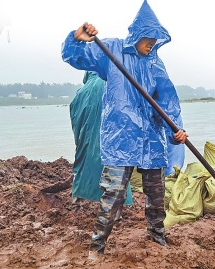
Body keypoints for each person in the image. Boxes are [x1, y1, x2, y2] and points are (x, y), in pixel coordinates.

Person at [61, 0, 188, 253]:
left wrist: (176, 133)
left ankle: (157, 235)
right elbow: (75, 56)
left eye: (155, 38)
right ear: (138, 34)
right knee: (113, 196)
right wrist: (77, 37)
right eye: (148, 37)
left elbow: (167, 102)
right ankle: (97, 245)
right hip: (121, 138)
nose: (151, 42)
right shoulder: (112, 50)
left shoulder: (156, 64)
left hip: (151, 139)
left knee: (156, 196)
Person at [69, 71, 133, 215]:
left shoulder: (81, 93)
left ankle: (76, 204)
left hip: (86, 141)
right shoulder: (112, 84)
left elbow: (75, 120)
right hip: (111, 139)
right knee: (117, 169)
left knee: (83, 166)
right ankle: (116, 213)